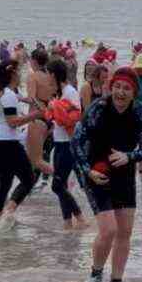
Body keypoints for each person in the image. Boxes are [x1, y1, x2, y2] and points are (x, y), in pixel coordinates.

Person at [71, 67, 142, 282]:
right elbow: (76, 143)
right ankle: (95, 277)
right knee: (108, 230)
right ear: (111, 87)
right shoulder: (98, 108)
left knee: (125, 231)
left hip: (124, 174)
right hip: (96, 173)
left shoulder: (140, 112)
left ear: (134, 92)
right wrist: (87, 171)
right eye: (117, 87)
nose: (120, 92)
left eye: (126, 89)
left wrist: (129, 156)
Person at [0, 60, 43, 230]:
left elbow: (17, 98)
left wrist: (27, 99)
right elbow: (12, 122)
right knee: (29, 179)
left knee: (4, 185)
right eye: (19, 72)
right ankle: (9, 211)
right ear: (12, 75)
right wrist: (35, 115)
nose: (20, 75)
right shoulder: (8, 95)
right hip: (8, 144)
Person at [45, 59, 87, 229]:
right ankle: (67, 223)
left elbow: (74, 118)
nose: (47, 78)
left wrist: (54, 109)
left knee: (56, 185)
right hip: (59, 143)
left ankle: (80, 218)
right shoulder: (60, 93)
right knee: (60, 185)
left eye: (48, 74)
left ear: (54, 75)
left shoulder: (70, 92)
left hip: (68, 144)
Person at [25, 49, 55, 178]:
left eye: (30, 60)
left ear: (34, 61)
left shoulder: (33, 76)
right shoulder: (50, 76)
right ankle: (38, 183)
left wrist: (17, 98)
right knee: (42, 155)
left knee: (34, 158)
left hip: (37, 118)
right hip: (50, 118)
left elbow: (31, 99)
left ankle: (60, 178)